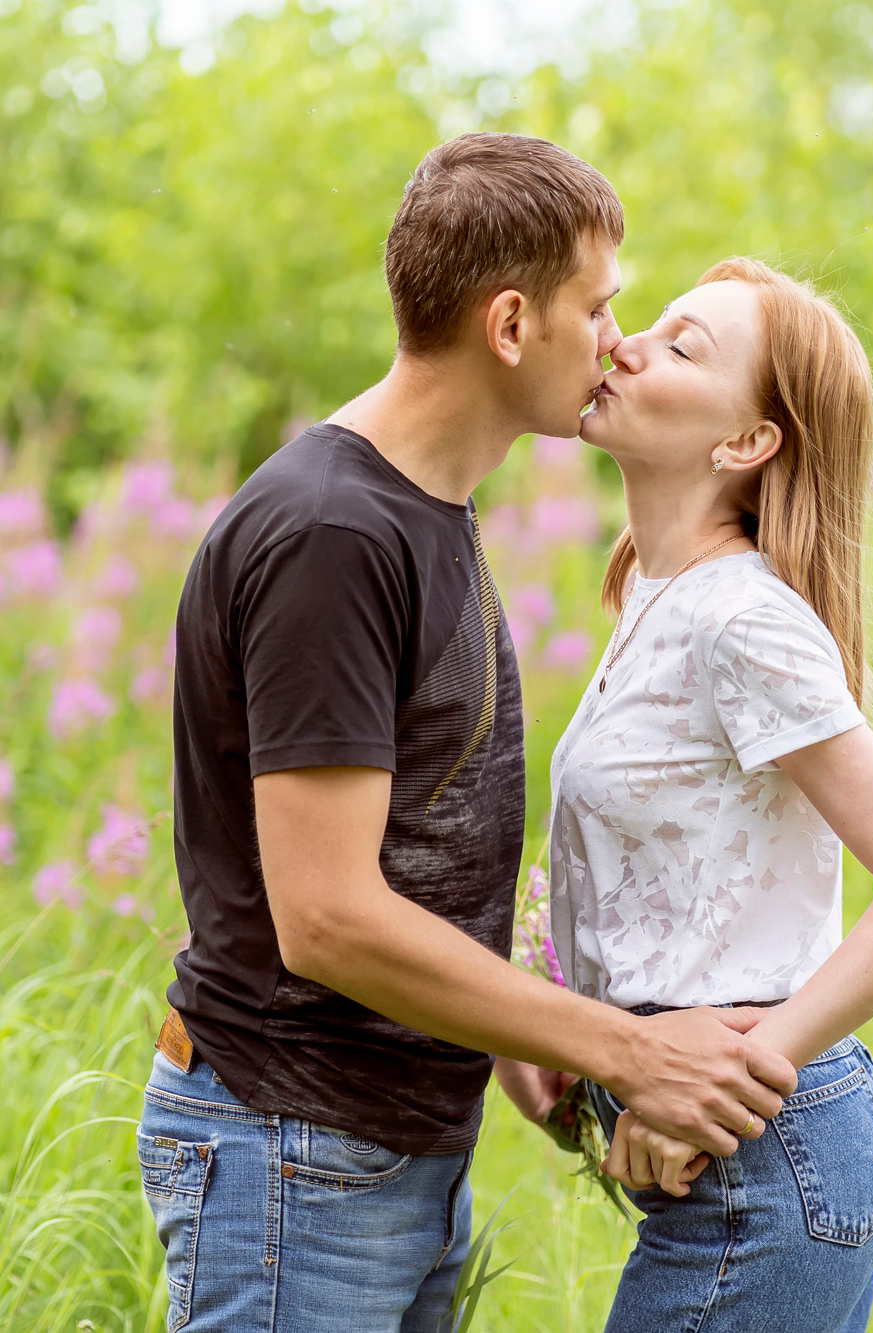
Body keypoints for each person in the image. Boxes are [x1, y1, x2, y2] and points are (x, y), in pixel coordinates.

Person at [140, 136, 799, 1333]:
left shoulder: (422, 507)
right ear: (509, 325)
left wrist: (504, 1037)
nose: (616, 341)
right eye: (596, 308)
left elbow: (415, 835)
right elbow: (326, 916)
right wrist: (624, 1051)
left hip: (380, 1152)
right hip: (294, 1155)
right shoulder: (335, 536)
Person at [497, 258, 873, 1331]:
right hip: (750, 1165)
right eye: (649, 322)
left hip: (770, 1167)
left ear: (746, 442)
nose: (624, 344)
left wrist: (730, 1083)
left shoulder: (740, 620)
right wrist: (563, 1038)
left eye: (681, 346)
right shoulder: (660, 596)